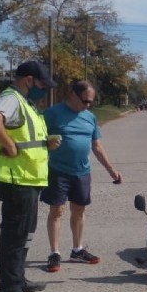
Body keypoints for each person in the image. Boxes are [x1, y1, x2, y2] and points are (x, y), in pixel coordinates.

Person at [0, 60, 59, 292]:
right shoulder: (11, 98)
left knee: (25, 234)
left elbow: (27, 137)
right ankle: (9, 291)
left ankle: (19, 279)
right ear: (29, 80)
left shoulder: (27, 103)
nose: (44, 89)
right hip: (16, 180)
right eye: (41, 84)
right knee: (14, 236)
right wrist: (9, 144)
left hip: (29, 179)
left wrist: (46, 143)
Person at [41, 79, 122, 273]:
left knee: (79, 212)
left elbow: (97, 146)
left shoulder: (90, 118)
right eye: (85, 101)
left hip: (82, 172)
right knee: (57, 211)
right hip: (57, 170)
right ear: (72, 94)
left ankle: (77, 250)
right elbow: (37, 139)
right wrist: (46, 144)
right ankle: (54, 253)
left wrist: (112, 170)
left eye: (90, 102)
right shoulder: (52, 114)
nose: (87, 105)